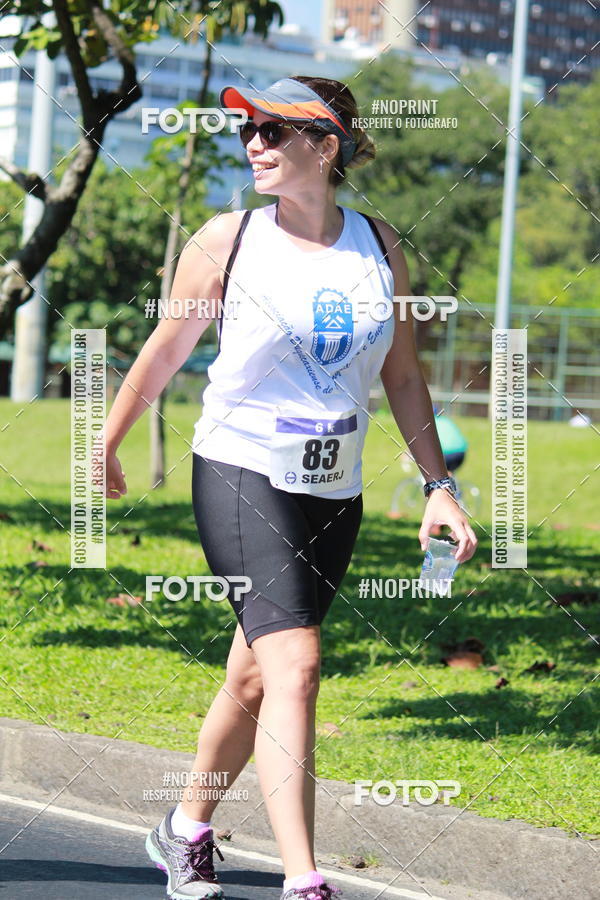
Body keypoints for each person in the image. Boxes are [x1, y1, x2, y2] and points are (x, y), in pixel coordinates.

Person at [103, 75, 477, 900]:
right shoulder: (228, 239)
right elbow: (167, 348)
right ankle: (304, 879)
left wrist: (438, 486)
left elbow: (403, 374)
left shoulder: (379, 245)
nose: (255, 144)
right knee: (298, 665)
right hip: (241, 469)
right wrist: (107, 439)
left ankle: (184, 829)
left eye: (275, 130)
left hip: (333, 490)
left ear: (326, 145)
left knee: (255, 675)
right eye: (249, 130)